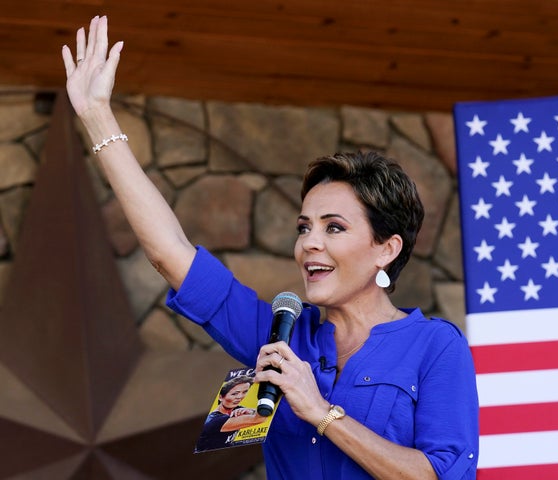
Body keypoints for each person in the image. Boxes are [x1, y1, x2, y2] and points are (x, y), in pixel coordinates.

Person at [62, 16, 479, 479]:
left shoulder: (436, 347)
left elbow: (441, 475)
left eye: (334, 228)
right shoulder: (280, 338)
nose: (310, 244)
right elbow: (169, 252)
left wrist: (320, 411)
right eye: (304, 227)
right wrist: (97, 115)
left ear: (387, 249)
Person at [196, 375, 265, 452]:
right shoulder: (216, 421)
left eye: (245, 392)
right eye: (234, 394)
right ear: (221, 397)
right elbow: (260, 418)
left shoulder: (237, 409)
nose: (240, 397)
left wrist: (251, 411)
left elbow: (255, 413)